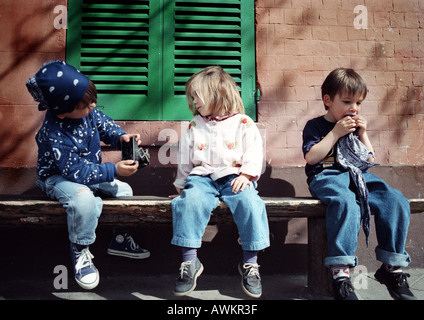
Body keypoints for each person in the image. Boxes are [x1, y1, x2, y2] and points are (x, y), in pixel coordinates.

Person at [26, 60, 150, 290]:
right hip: (58, 178)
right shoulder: (54, 131)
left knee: (125, 190)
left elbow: (106, 126)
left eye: (93, 99)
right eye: (86, 104)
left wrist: (121, 137)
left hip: (86, 175)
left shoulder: (88, 112)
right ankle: (80, 249)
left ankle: (119, 239)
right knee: (84, 199)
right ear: (62, 112)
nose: (93, 106)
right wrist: (113, 169)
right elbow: (75, 172)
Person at [302, 68, 416, 300]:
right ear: (328, 100)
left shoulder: (355, 128)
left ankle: (392, 268)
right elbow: (311, 158)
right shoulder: (315, 126)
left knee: (395, 200)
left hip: (359, 177)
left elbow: (370, 160)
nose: (354, 108)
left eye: (358, 103)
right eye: (347, 101)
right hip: (326, 176)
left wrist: (363, 135)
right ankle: (341, 275)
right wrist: (334, 134)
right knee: (346, 203)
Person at [170, 66, 270, 298]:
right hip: (201, 178)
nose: (194, 102)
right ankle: (189, 262)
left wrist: (247, 175)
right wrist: (182, 188)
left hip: (235, 177)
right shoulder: (195, 125)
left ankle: (251, 263)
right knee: (189, 203)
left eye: (197, 96)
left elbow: (255, 152)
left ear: (216, 94)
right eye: (192, 97)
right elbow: (185, 159)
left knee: (251, 204)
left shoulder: (243, 123)